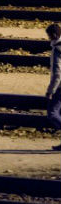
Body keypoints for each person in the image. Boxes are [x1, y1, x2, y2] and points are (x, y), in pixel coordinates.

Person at [44, 23, 61, 151]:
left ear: (53, 35)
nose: (48, 38)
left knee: (52, 113)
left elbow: (57, 74)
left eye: (49, 35)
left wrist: (50, 91)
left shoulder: (57, 50)